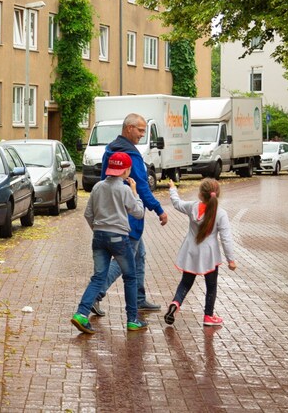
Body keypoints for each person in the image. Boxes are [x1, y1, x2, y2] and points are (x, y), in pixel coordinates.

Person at [89, 113, 169, 318]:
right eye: (140, 130)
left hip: (113, 212)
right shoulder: (130, 155)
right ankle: (94, 296)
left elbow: (104, 180)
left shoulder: (111, 149)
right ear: (129, 128)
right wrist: (158, 209)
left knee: (139, 255)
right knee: (123, 261)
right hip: (129, 218)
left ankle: (139, 298)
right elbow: (142, 186)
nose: (142, 134)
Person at [71, 152, 148, 334]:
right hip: (119, 238)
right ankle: (132, 320)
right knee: (130, 277)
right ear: (126, 171)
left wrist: (98, 229)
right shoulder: (124, 189)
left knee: (98, 277)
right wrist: (135, 192)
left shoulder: (97, 187)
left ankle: (81, 313)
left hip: (98, 236)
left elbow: (88, 214)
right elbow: (139, 213)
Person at [163, 178, 237, 327]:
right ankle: (208, 315)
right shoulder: (221, 214)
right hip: (209, 255)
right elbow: (226, 238)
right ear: (217, 194)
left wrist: (172, 188)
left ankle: (176, 303)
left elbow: (177, 203)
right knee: (211, 285)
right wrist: (231, 259)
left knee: (186, 282)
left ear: (200, 194)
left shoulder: (192, 207)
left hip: (191, 251)